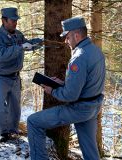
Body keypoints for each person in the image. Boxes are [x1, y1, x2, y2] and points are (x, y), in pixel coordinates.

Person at [27, 17, 105, 160]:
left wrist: (52, 90)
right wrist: (63, 83)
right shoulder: (95, 51)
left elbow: (70, 95)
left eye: (67, 37)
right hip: (93, 107)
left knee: (33, 121)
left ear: (76, 35)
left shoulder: (79, 57)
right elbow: (87, 83)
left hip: (80, 108)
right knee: (90, 150)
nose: (66, 41)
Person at [0, 7, 42, 142]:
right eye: (12, 20)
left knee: (15, 107)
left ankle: (13, 130)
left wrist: (37, 43)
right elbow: (1, 55)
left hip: (14, 77)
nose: (15, 23)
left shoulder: (18, 34)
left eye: (16, 20)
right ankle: (3, 133)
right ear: (4, 20)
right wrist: (19, 47)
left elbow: (26, 45)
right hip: (0, 77)